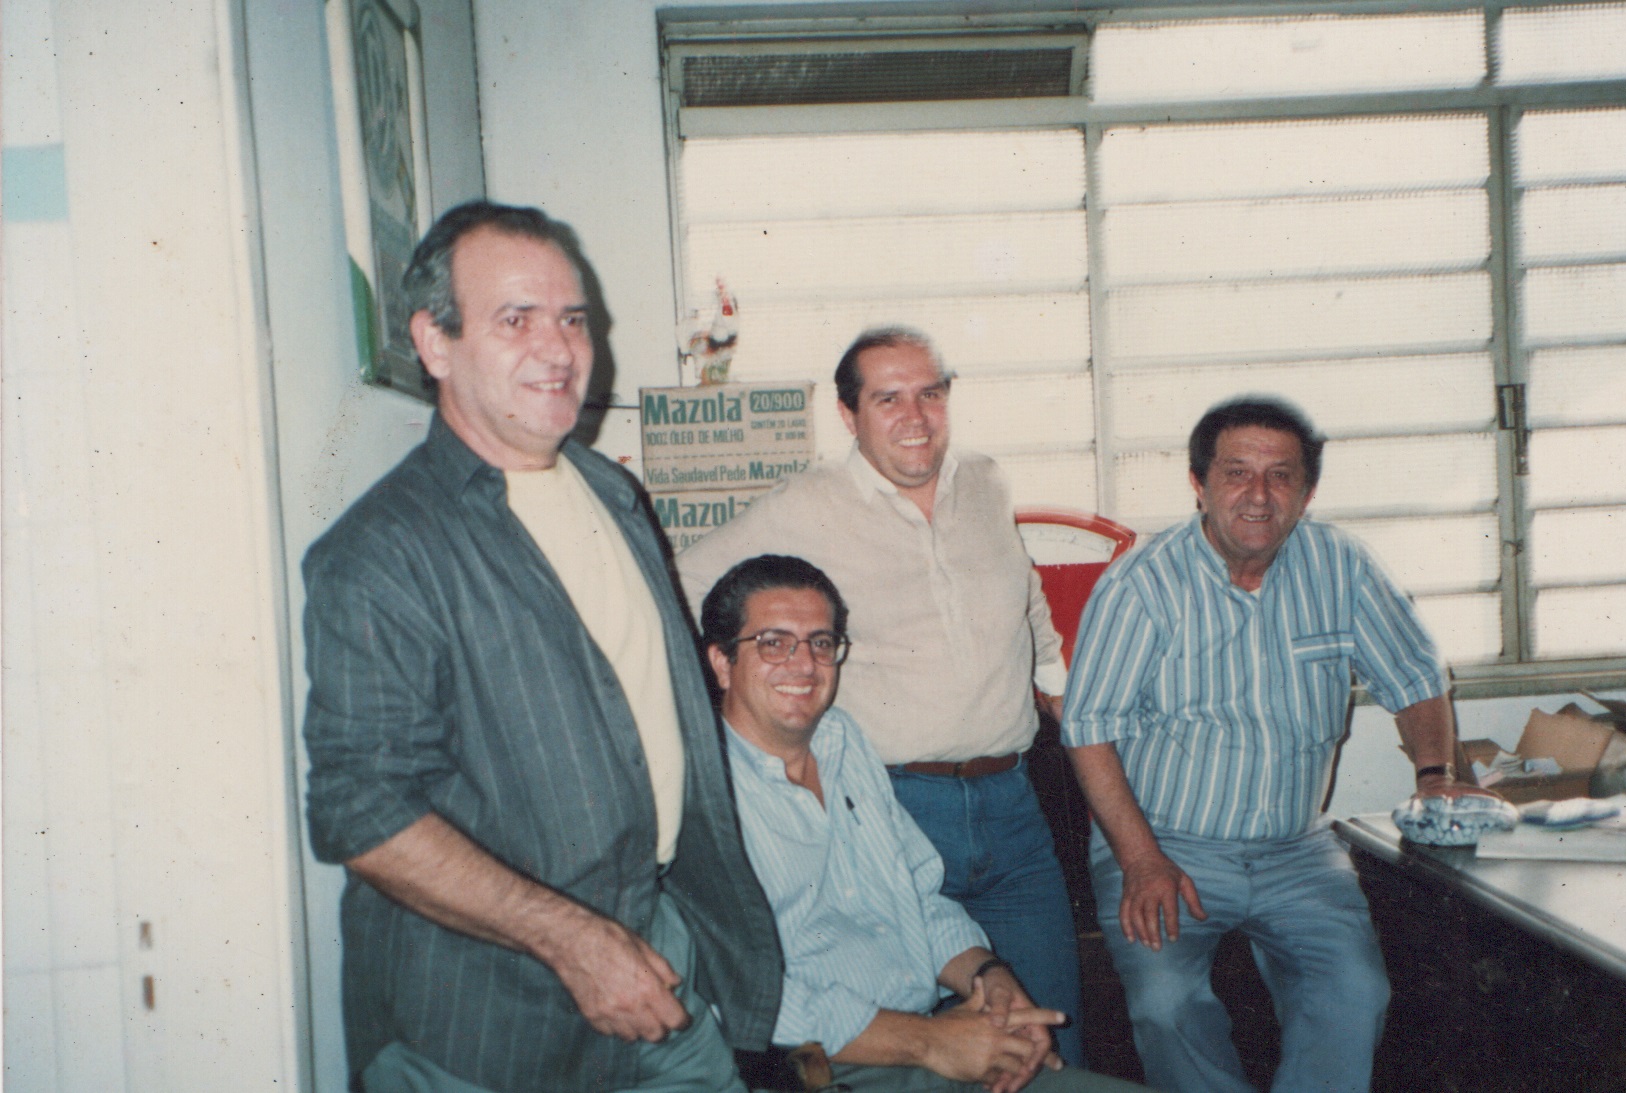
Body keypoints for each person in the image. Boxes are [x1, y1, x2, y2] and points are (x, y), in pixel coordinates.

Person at [301, 200, 781, 1093]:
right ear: (435, 344)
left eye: (571, 319)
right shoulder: (380, 552)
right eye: (515, 320)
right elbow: (360, 813)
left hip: (655, 949)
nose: (558, 350)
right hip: (482, 1018)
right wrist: (574, 940)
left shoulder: (610, 492)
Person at [1062, 398, 1495, 1093]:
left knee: (1356, 992)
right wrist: (1141, 859)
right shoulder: (1141, 584)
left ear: (1306, 491)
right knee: (1165, 1003)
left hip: (1297, 848)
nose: (1257, 495)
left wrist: (1435, 774)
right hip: (1163, 842)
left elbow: (1414, 676)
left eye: (1279, 475)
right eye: (1236, 473)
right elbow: (1087, 728)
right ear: (1198, 483)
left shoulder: (1340, 564)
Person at [677, 328, 1084, 1065]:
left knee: (1044, 1031)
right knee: (924, 1036)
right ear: (847, 413)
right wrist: (702, 717)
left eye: (930, 393)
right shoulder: (808, 501)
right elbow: (681, 589)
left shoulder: (986, 481)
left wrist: (1055, 685)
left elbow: (1023, 593)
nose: (915, 415)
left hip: (1013, 807)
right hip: (891, 804)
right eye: (887, 397)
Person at [700, 555, 1146, 1093]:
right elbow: (744, 996)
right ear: (722, 662)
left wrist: (988, 977)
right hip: (813, 1069)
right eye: (774, 642)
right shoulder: (699, 792)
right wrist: (932, 1043)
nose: (804, 664)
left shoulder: (843, 740)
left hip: (930, 1044)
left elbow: (918, 894)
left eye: (821, 642)